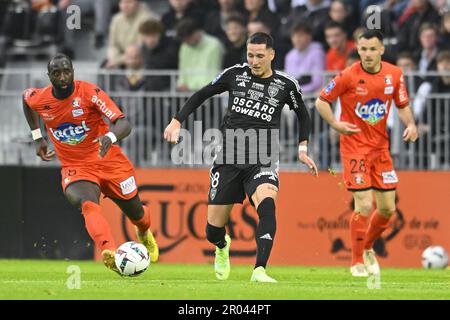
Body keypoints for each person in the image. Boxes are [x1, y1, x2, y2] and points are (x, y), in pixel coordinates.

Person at [164, 32, 318, 282]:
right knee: (212, 229)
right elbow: (202, 94)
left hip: (263, 157)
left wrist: (302, 149)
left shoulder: (286, 84)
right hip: (228, 157)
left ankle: (259, 270)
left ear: (271, 54)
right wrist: (176, 121)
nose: (254, 61)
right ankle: (222, 246)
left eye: (259, 56)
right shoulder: (235, 74)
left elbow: (303, 115)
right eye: (250, 55)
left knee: (267, 205)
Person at [22, 54, 159, 274]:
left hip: (110, 162)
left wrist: (110, 137)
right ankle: (109, 251)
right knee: (87, 203)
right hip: (76, 167)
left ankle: (143, 232)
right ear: (49, 76)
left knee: (138, 215)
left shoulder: (89, 93)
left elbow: (123, 123)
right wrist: (38, 136)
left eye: (67, 71)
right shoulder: (40, 98)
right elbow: (26, 100)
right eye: (56, 73)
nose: (63, 77)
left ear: (73, 71)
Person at [315, 29, 418, 277]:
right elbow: (321, 101)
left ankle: (369, 246)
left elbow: (402, 104)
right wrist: (336, 125)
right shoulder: (348, 76)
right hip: (354, 149)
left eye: (373, 49)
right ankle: (356, 261)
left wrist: (411, 124)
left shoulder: (394, 74)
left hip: (381, 150)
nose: (368, 54)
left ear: (381, 49)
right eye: (363, 49)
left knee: (387, 210)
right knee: (364, 203)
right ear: (358, 49)